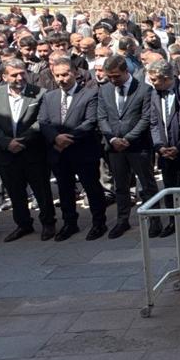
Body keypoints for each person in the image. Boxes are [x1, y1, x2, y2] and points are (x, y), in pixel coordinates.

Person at [0, 58, 56, 241]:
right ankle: (23, 224)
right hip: (6, 153)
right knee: (15, 192)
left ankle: (48, 223)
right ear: (4, 76)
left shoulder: (39, 94)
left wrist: (22, 140)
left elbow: (42, 120)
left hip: (32, 151)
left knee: (42, 190)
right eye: (14, 75)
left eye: (22, 73)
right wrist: (6, 143)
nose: (20, 77)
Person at [38, 56, 109, 241]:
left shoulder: (89, 94)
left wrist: (68, 138)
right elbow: (43, 122)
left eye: (65, 74)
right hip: (59, 151)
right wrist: (56, 138)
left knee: (92, 187)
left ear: (75, 73)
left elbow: (90, 121)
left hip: (82, 150)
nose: (62, 79)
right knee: (64, 189)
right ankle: (70, 223)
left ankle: (99, 222)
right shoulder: (49, 96)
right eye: (57, 75)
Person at [98, 53, 158, 238]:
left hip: (138, 146)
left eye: (116, 76)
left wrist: (129, 139)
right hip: (115, 147)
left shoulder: (144, 90)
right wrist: (113, 139)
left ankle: (154, 220)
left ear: (126, 71)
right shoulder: (105, 90)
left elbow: (146, 118)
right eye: (110, 76)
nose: (113, 80)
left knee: (147, 184)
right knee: (121, 186)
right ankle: (122, 220)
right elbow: (102, 117)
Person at [147, 59, 180, 237]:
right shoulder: (154, 94)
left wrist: (179, 147)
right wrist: (159, 146)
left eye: (154, 79)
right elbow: (154, 122)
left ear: (165, 78)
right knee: (169, 186)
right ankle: (172, 220)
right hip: (165, 150)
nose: (152, 82)